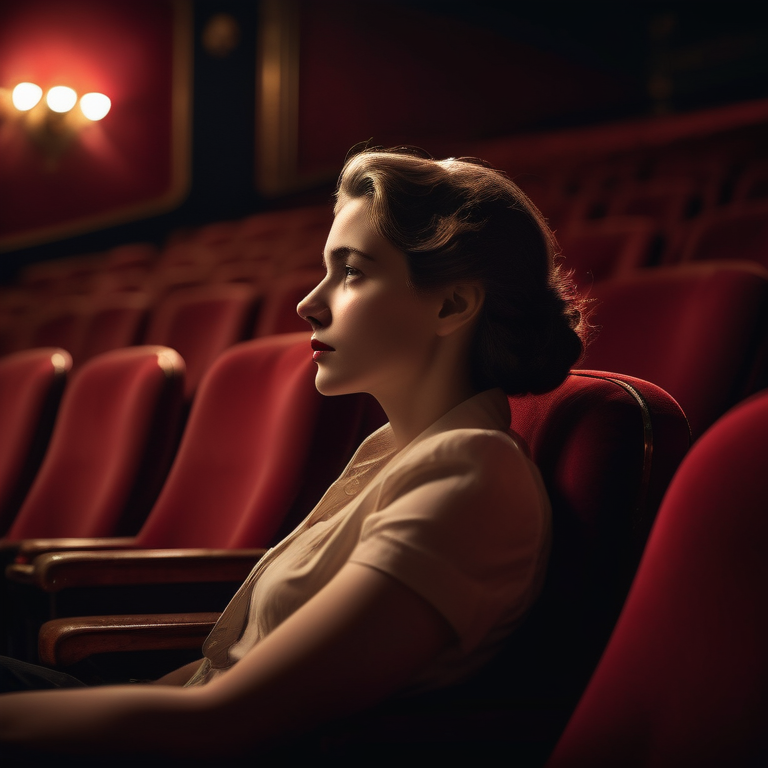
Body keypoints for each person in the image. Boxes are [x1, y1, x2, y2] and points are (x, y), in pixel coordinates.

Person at [0, 146, 587, 761]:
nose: (310, 301)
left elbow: (219, 720)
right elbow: (210, 676)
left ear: (451, 305)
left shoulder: (473, 477)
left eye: (352, 271)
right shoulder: (397, 451)